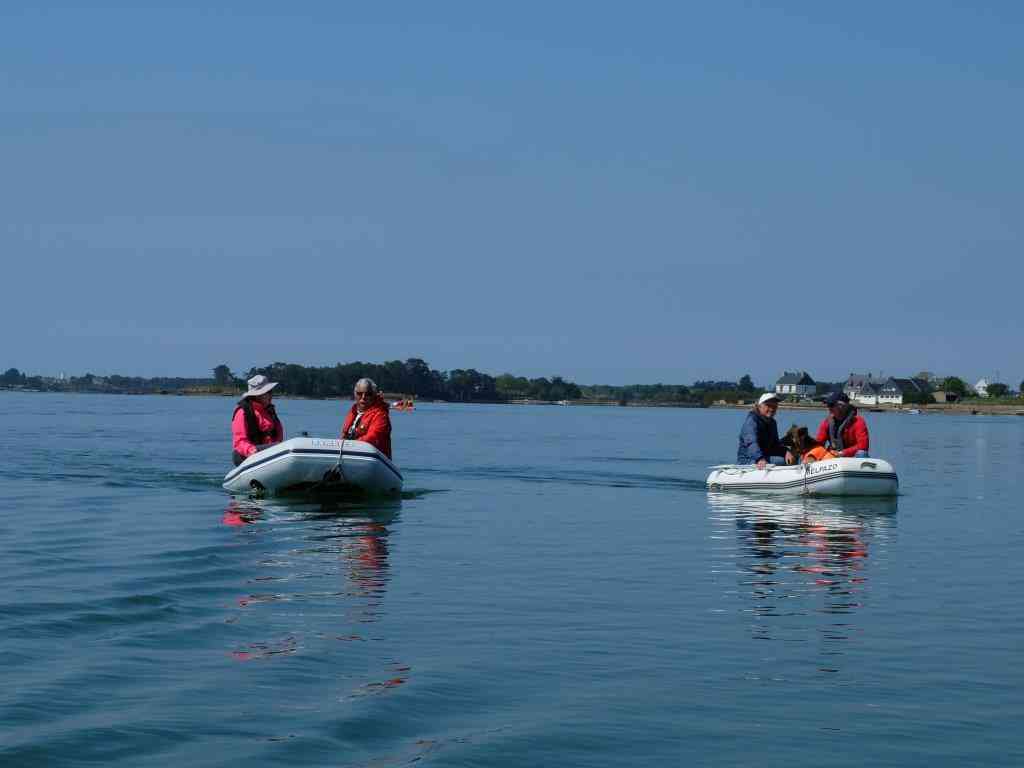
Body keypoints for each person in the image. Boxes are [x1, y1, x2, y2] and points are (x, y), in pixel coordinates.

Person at [231, 374, 284, 466]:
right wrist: (252, 451)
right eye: (268, 392)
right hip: (248, 455)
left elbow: (278, 437)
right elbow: (239, 442)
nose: (271, 395)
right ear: (257, 396)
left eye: (270, 391)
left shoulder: (270, 412)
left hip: (269, 453)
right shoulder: (242, 413)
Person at [737, 393, 795, 469]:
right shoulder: (752, 421)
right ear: (759, 406)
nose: (771, 409)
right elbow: (751, 443)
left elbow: (775, 446)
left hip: (765, 457)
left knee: (792, 458)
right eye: (768, 405)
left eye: (774, 406)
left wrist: (786, 451)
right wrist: (760, 458)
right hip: (748, 460)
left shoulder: (772, 423)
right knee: (781, 461)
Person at [340, 378, 392, 459]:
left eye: (368, 394)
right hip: (350, 456)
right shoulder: (353, 412)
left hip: (373, 460)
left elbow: (373, 437)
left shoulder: (381, 415)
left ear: (374, 395)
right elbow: (343, 436)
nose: (363, 397)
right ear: (355, 394)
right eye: (359, 394)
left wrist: (348, 445)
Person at [815, 392, 870, 457]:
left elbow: (863, 445)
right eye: (828, 405)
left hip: (852, 458)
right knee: (814, 452)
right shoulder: (827, 423)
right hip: (833, 457)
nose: (829, 408)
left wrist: (842, 453)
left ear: (842, 406)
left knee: (862, 453)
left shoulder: (858, 422)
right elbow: (818, 444)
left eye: (831, 405)